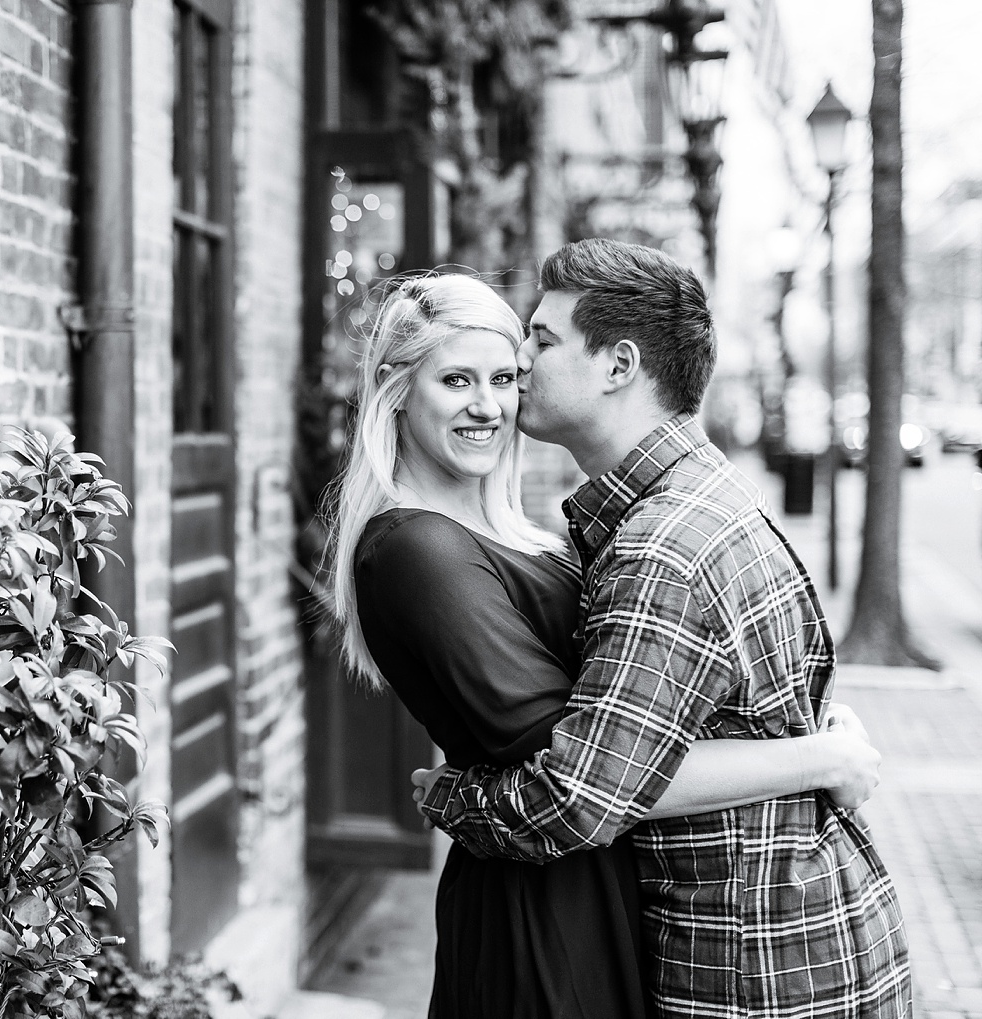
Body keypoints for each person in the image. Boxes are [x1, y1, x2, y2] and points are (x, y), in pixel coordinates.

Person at [327, 269, 886, 1019]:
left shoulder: (526, 533)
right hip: (543, 911)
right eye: (455, 380)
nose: (488, 404)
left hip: (606, 886)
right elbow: (592, 775)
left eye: (503, 376)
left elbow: (649, 711)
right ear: (397, 393)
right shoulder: (414, 547)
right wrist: (820, 759)